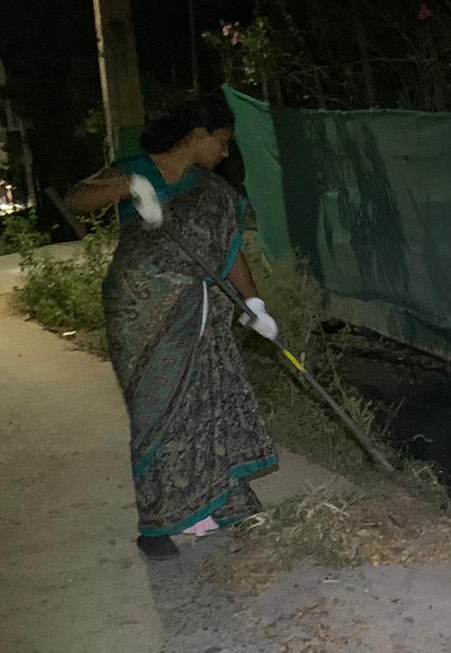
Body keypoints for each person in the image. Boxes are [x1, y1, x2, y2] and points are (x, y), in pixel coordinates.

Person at [66, 96, 280, 560]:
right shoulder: (137, 167)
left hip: (195, 310)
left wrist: (254, 303)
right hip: (138, 310)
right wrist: (131, 186)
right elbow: (77, 199)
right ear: (198, 135)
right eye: (222, 142)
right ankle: (156, 526)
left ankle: (222, 504)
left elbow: (230, 251)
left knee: (207, 403)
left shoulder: (213, 191)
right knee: (154, 412)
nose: (225, 152)